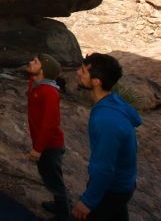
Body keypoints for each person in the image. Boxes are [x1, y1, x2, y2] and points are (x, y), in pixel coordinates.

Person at [72, 53, 142, 221]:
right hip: (123, 184)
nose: (77, 72)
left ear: (96, 82)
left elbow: (103, 168)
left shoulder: (106, 120)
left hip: (113, 189)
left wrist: (87, 201)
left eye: (83, 71)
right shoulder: (113, 101)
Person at [26, 53, 70, 220]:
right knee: (47, 175)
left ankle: (64, 214)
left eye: (35, 62)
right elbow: (33, 81)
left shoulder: (50, 93)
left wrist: (38, 149)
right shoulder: (36, 83)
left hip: (50, 146)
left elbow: (49, 125)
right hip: (42, 143)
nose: (31, 62)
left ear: (43, 70)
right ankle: (59, 205)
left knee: (54, 180)